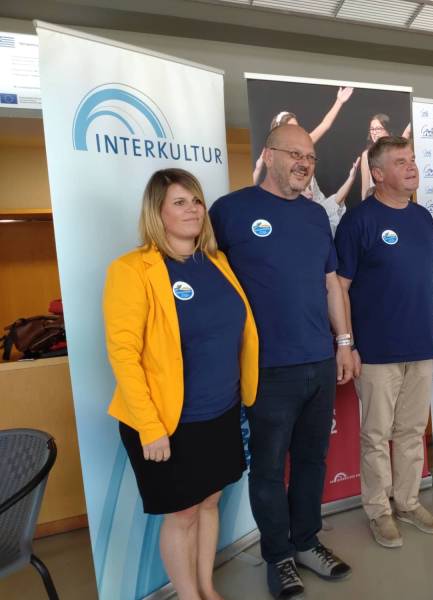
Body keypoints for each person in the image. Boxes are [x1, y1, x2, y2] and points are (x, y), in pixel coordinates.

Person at [210, 124, 355, 600]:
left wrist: (344, 342)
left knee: (312, 461)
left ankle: (307, 542)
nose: (304, 164)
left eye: (310, 157)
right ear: (268, 155)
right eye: (294, 154)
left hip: (318, 361)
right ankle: (278, 556)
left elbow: (331, 282)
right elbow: (209, 283)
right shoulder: (230, 211)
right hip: (266, 367)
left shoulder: (316, 216)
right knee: (270, 468)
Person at [104, 168, 259, 600]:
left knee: (210, 502)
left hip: (221, 412)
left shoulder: (217, 262)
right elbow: (124, 355)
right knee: (183, 513)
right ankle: (189, 596)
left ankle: (207, 586)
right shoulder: (132, 270)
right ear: (157, 213)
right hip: (168, 421)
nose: (193, 209)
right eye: (179, 202)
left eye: (196, 200)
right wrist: (149, 426)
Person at [335, 136, 433, 548]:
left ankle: (408, 502)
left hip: (420, 345)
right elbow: (339, 287)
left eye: (412, 159)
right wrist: (347, 343)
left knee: (412, 431)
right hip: (377, 351)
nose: (411, 167)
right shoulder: (358, 221)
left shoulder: (422, 218)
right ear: (377, 174)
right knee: (377, 436)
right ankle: (379, 511)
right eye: (400, 162)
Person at [252, 87, 357, 234]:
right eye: (290, 128)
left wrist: (339, 102)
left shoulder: (304, 146)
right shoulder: (270, 158)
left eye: (297, 127)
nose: (296, 132)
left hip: (315, 213)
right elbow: (258, 189)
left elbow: (325, 125)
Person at [360, 113, 412, 200]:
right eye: (372, 129)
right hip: (377, 203)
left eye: (378, 129)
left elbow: (407, 133)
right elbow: (365, 188)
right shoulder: (366, 154)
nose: (374, 132)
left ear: (388, 130)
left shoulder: (396, 149)